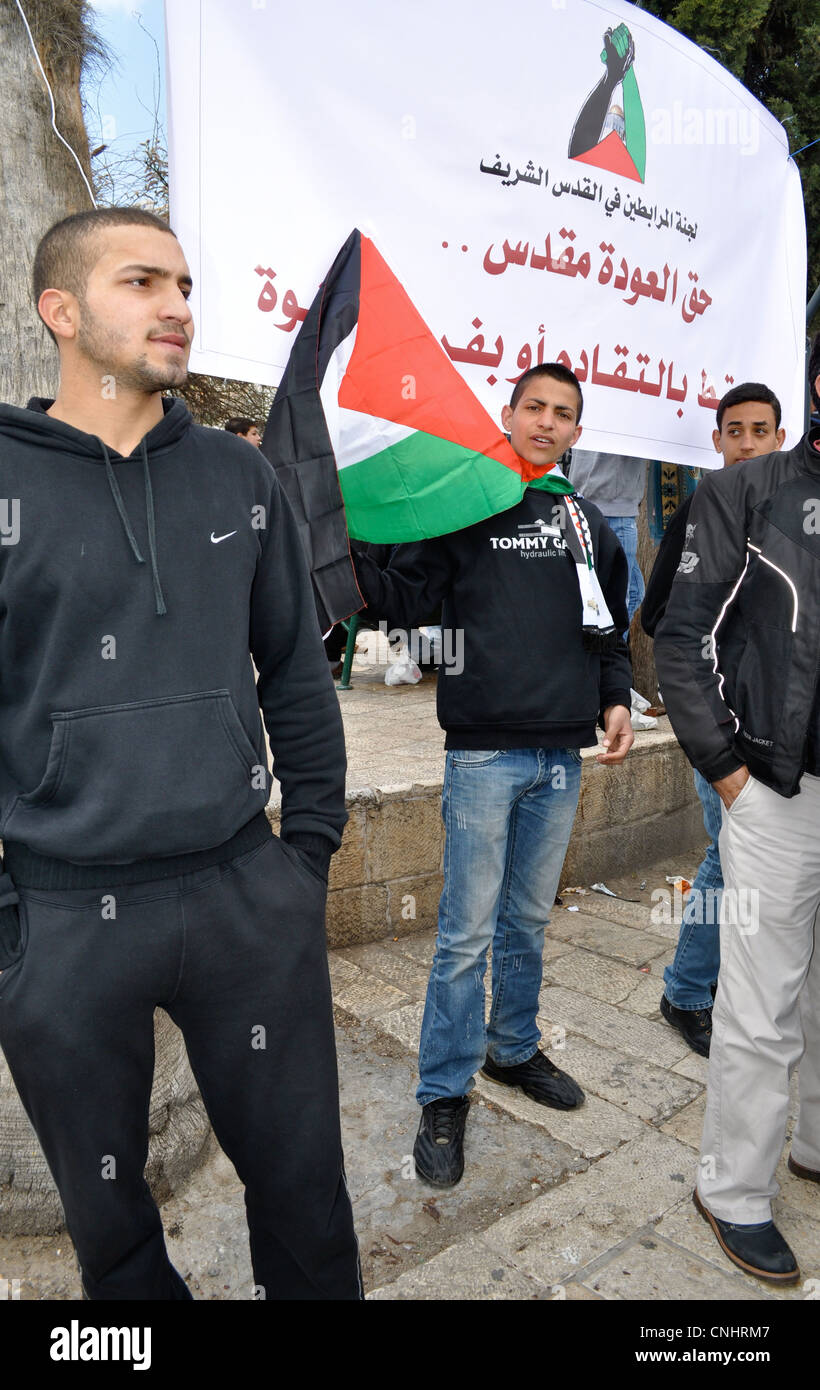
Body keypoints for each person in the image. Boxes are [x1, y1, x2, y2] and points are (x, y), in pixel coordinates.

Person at [0, 207, 361, 1300]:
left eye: (186, 285)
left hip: (242, 893)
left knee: (304, 1191)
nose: (178, 307)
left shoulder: (238, 480)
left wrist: (304, 857)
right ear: (60, 311)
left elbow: (297, 672)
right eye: (142, 282)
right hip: (60, 919)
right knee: (110, 1228)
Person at [353, 363, 634, 1186]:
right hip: (482, 751)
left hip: (562, 755)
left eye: (564, 414)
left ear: (578, 433)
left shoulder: (584, 522)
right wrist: (349, 543)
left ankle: (513, 1049)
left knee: (527, 922)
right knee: (466, 932)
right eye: (535, 407)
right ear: (506, 414)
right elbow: (402, 602)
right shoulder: (462, 502)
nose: (547, 422)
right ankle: (444, 1091)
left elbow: (608, 628)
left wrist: (615, 698)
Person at [653, 352, 820, 1285]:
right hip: (776, 794)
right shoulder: (746, 493)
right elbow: (679, 636)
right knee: (758, 1005)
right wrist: (728, 773)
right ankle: (733, 1192)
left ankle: (812, 1147)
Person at [643, 383, 785, 1058]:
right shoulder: (705, 506)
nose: (749, 442)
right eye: (737, 431)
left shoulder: (793, 508)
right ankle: (687, 993)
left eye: (761, 430)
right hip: (723, 724)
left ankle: (716, 983)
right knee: (726, 861)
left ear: (780, 437)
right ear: (718, 440)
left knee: (750, 865)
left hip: (783, 731)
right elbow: (657, 615)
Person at [568, 448, 648, 626]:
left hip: (586, 500)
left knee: (634, 592)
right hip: (612, 505)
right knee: (616, 600)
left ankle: (613, 647)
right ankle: (611, 649)